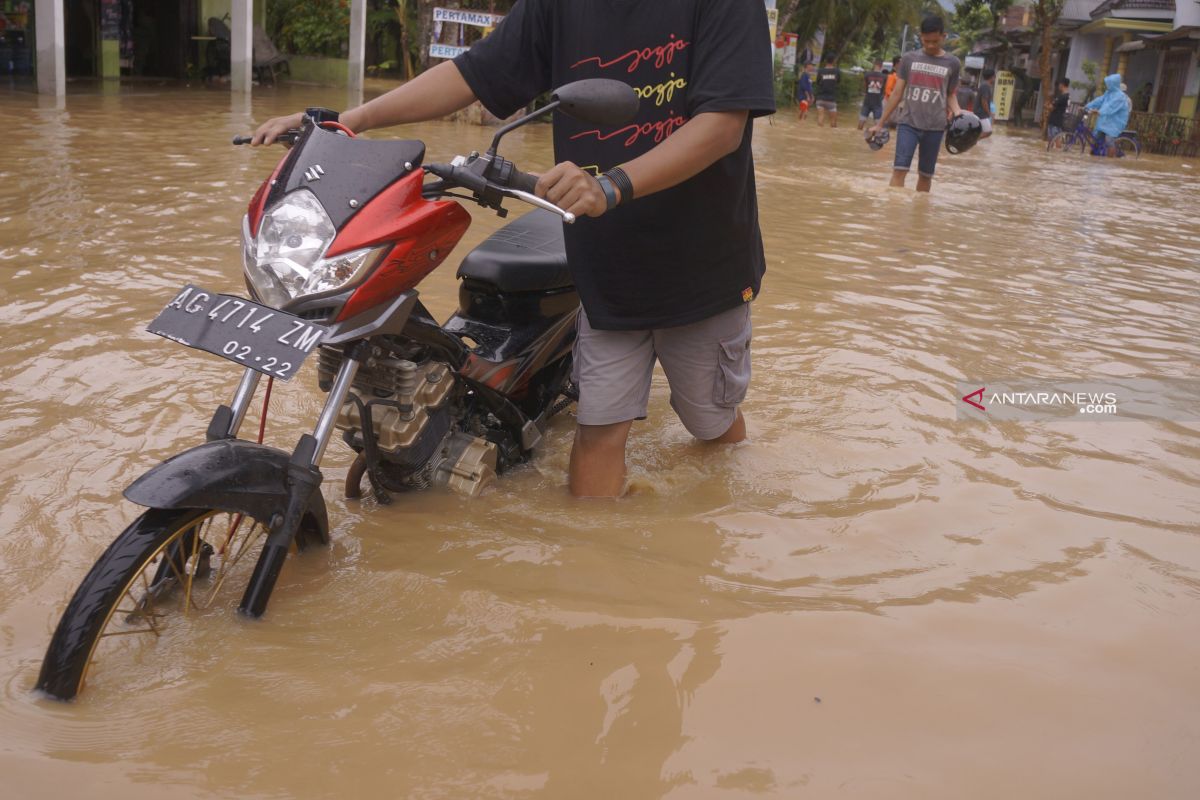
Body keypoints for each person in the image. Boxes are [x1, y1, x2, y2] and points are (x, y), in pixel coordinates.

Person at [251, 0, 775, 499]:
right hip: (606, 262)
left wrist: (611, 185)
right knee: (598, 430)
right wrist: (350, 121)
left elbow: (723, 125)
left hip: (699, 263)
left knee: (710, 423)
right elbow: (473, 74)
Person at [867, 15, 962, 193]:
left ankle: (920, 214)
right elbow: (897, 93)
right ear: (920, 37)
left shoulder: (953, 63)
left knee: (926, 175)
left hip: (935, 127)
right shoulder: (909, 59)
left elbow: (950, 94)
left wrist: (957, 112)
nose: (931, 45)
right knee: (899, 170)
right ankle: (893, 212)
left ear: (944, 36)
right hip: (908, 124)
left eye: (935, 41)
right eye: (926, 41)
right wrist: (880, 123)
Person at [1084, 74, 1131, 156]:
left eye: (1109, 83)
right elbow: (1099, 100)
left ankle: (1110, 161)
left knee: (1109, 140)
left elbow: (1110, 106)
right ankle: (1093, 157)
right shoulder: (1108, 93)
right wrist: (1087, 106)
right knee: (1096, 139)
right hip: (1105, 121)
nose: (1107, 85)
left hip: (1115, 122)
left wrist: (1099, 111)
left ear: (1113, 84)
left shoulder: (1120, 96)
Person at [857, 59, 886, 130]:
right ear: (881, 66)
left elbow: (864, 87)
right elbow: (884, 89)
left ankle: (857, 133)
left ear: (874, 65)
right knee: (878, 123)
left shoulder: (867, 74)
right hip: (877, 101)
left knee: (862, 120)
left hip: (867, 100)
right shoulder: (884, 77)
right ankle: (878, 137)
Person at [816, 55, 840, 127]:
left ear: (826, 61)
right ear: (834, 61)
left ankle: (818, 135)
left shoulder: (820, 71)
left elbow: (818, 82)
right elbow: (838, 82)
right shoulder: (837, 71)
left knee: (820, 117)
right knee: (833, 122)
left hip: (820, 98)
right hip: (831, 99)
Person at [975, 68, 995, 139]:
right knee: (988, 131)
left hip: (980, 112)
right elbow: (984, 101)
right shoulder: (986, 86)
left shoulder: (984, 85)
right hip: (981, 113)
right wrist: (989, 113)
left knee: (982, 131)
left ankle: (975, 143)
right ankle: (973, 140)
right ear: (992, 77)